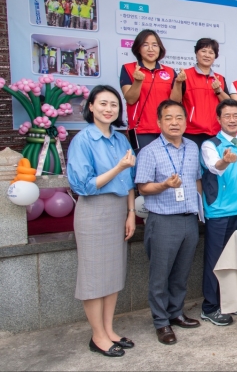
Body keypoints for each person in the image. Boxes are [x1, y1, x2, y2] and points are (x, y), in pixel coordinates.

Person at [67, 85, 136, 357]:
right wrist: (117, 167)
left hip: (119, 208)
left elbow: (129, 180)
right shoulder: (82, 140)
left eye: (114, 105)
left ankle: (109, 329)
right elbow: (82, 185)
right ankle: (97, 336)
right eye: (103, 103)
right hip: (94, 211)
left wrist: (131, 212)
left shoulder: (121, 140)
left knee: (113, 274)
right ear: (91, 107)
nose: (109, 109)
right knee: (95, 278)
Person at [135, 100, 202, 345]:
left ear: (186, 121)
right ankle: (161, 322)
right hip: (163, 220)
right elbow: (143, 187)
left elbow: (196, 181)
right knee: (160, 275)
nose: (174, 122)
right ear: (159, 122)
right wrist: (164, 185)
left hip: (189, 219)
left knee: (181, 272)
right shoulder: (150, 151)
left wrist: (199, 210)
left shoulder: (193, 148)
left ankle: (176, 313)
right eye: (168, 118)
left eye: (179, 118)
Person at [200, 99, 237, 326]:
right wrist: (224, 161)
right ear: (219, 119)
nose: (232, 120)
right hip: (220, 213)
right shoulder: (210, 145)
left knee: (236, 260)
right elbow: (214, 167)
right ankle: (210, 307)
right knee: (216, 261)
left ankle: (230, 302)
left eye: (236, 115)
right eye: (227, 116)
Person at [120, 29, 182, 150]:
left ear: (160, 48)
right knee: (143, 166)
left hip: (166, 129)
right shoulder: (128, 69)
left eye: (155, 45)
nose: (150, 49)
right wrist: (137, 81)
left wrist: (178, 82)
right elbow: (130, 99)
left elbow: (175, 102)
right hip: (141, 131)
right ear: (138, 48)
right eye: (145, 45)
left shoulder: (169, 72)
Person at [172, 38, 232, 148]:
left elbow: (228, 104)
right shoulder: (186, 75)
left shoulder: (220, 79)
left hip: (215, 132)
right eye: (203, 51)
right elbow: (174, 102)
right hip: (191, 132)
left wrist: (219, 91)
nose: (207, 55)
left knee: (214, 165)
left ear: (215, 56)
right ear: (196, 53)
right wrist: (178, 83)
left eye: (211, 52)